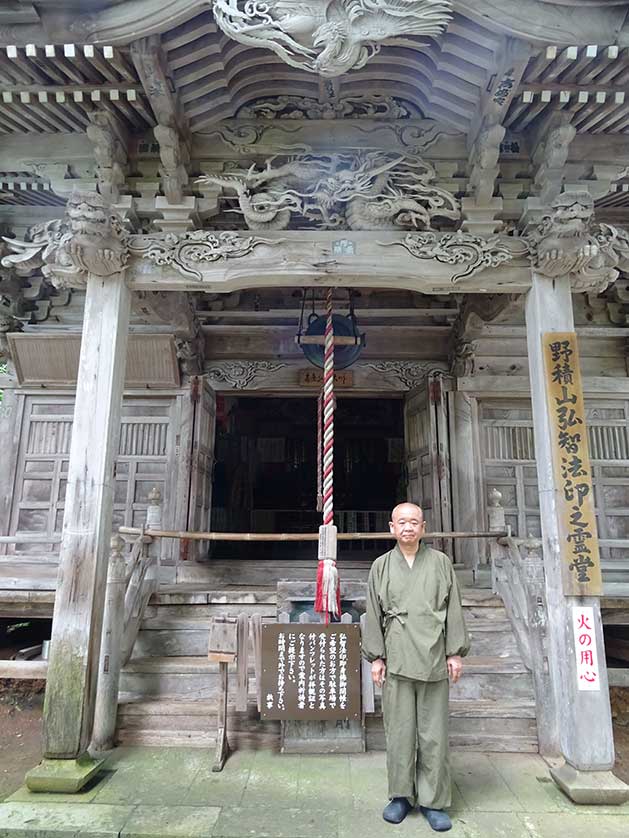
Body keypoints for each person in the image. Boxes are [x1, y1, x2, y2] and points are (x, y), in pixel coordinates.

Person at [362, 502, 470, 833]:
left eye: (414, 522)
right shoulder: (380, 566)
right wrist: (376, 657)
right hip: (396, 658)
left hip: (434, 657)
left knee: (434, 733)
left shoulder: (440, 563)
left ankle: (433, 801)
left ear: (423, 528)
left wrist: (455, 652)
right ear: (392, 528)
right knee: (399, 732)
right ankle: (400, 796)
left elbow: (453, 609)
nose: (408, 528)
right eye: (402, 523)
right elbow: (372, 613)